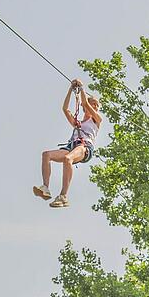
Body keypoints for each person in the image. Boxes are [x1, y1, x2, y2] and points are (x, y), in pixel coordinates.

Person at [33, 79, 102, 209]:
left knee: (67, 159)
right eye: (94, 104)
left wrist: (82, 88)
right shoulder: (78, 123)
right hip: (72, 146)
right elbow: (65, 109)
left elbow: (85, 104)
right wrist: (71, 89)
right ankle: (45, 188)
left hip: (84, 147)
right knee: (46, 155)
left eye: (97, 105)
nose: (95, 107)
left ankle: (63, 196)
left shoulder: (97, 120)